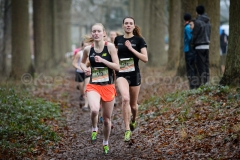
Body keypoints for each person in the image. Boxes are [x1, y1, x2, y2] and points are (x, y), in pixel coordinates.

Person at [80, 23, 119, 155]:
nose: (96, 33)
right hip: (93, 86)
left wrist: (103, 60)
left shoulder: (110, 47)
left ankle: (105, 142)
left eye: (98, 31)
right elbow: (82, 62)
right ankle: (94, 127)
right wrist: (85, 69)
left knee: (107, 120)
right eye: (94, 31)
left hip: (108, 86)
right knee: (95, 109)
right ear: (92, 34)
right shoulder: (88, 49)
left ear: (104, 33)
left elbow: (117, 67)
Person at [114, 17, 148, 142]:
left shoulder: (139, 40)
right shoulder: (118, 39)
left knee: (133, 105)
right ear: (123, 25)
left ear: (134, 26)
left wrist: (131, 49)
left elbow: (145, 58)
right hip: (121, 74)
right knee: (125, 99)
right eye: (126, 23)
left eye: (130, 23)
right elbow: (114, 57)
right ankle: (127, 129)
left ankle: (134, 119)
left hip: (134, 74)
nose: (128, 25)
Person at [191, 5, 211, 87]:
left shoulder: (198, 22)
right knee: (206, 65)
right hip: (207, 45)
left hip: (199, 46)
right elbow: (209, 33)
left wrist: (192, 42)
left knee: (201, 65)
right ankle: (207, 82)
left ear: (197, 12)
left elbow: (195, 34)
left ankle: (204, 83)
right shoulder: (208, 21)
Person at [72, 41, 90, 111]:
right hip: (79, 72)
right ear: (82, 46)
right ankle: (82, 94)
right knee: (81, 87)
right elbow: (74, 63)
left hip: (88, 73)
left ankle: (86, 105)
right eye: (84, 46)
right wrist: (79, 67)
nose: (86, 47)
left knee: (86, 88)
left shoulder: (92, 53)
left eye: (87, 46)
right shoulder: (79, 54)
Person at [183, 13, 197, 89]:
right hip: (190, 50)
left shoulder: (187, 27)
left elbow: (189, 38)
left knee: (190, 69)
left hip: (189, 50)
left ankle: (192, 86)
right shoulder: (189, 26)